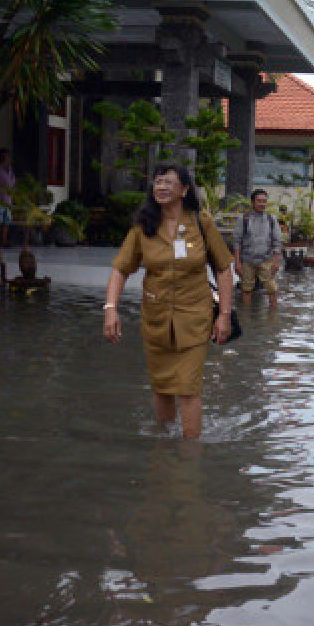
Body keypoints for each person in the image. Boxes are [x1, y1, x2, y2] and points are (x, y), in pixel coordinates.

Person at [102, 165, 234, 438]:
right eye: (157, 182)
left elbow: (223, 269)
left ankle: (189, 454)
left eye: (168, 182)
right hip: (156, 318)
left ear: (184, 190)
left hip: (195, 318)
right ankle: (163, 445)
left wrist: (224, 315)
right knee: (162, 386)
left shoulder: (201, 221)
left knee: (187, 387)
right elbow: (120, 269)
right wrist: (110, 309)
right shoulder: (143, 227)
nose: (161, 187)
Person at [231, 188, 282, 308]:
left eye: (264, 201)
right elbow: (237, 242)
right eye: (259, 201)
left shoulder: (271, 220)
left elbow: (277, 242)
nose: (262, 204)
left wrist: (275, 262)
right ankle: (247, 317)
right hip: (247, 261)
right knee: (246, 289)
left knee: (272, 289)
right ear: (253, 202)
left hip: (266, 260)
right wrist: (237, 263)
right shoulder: (243, 219)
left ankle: (273, 316)